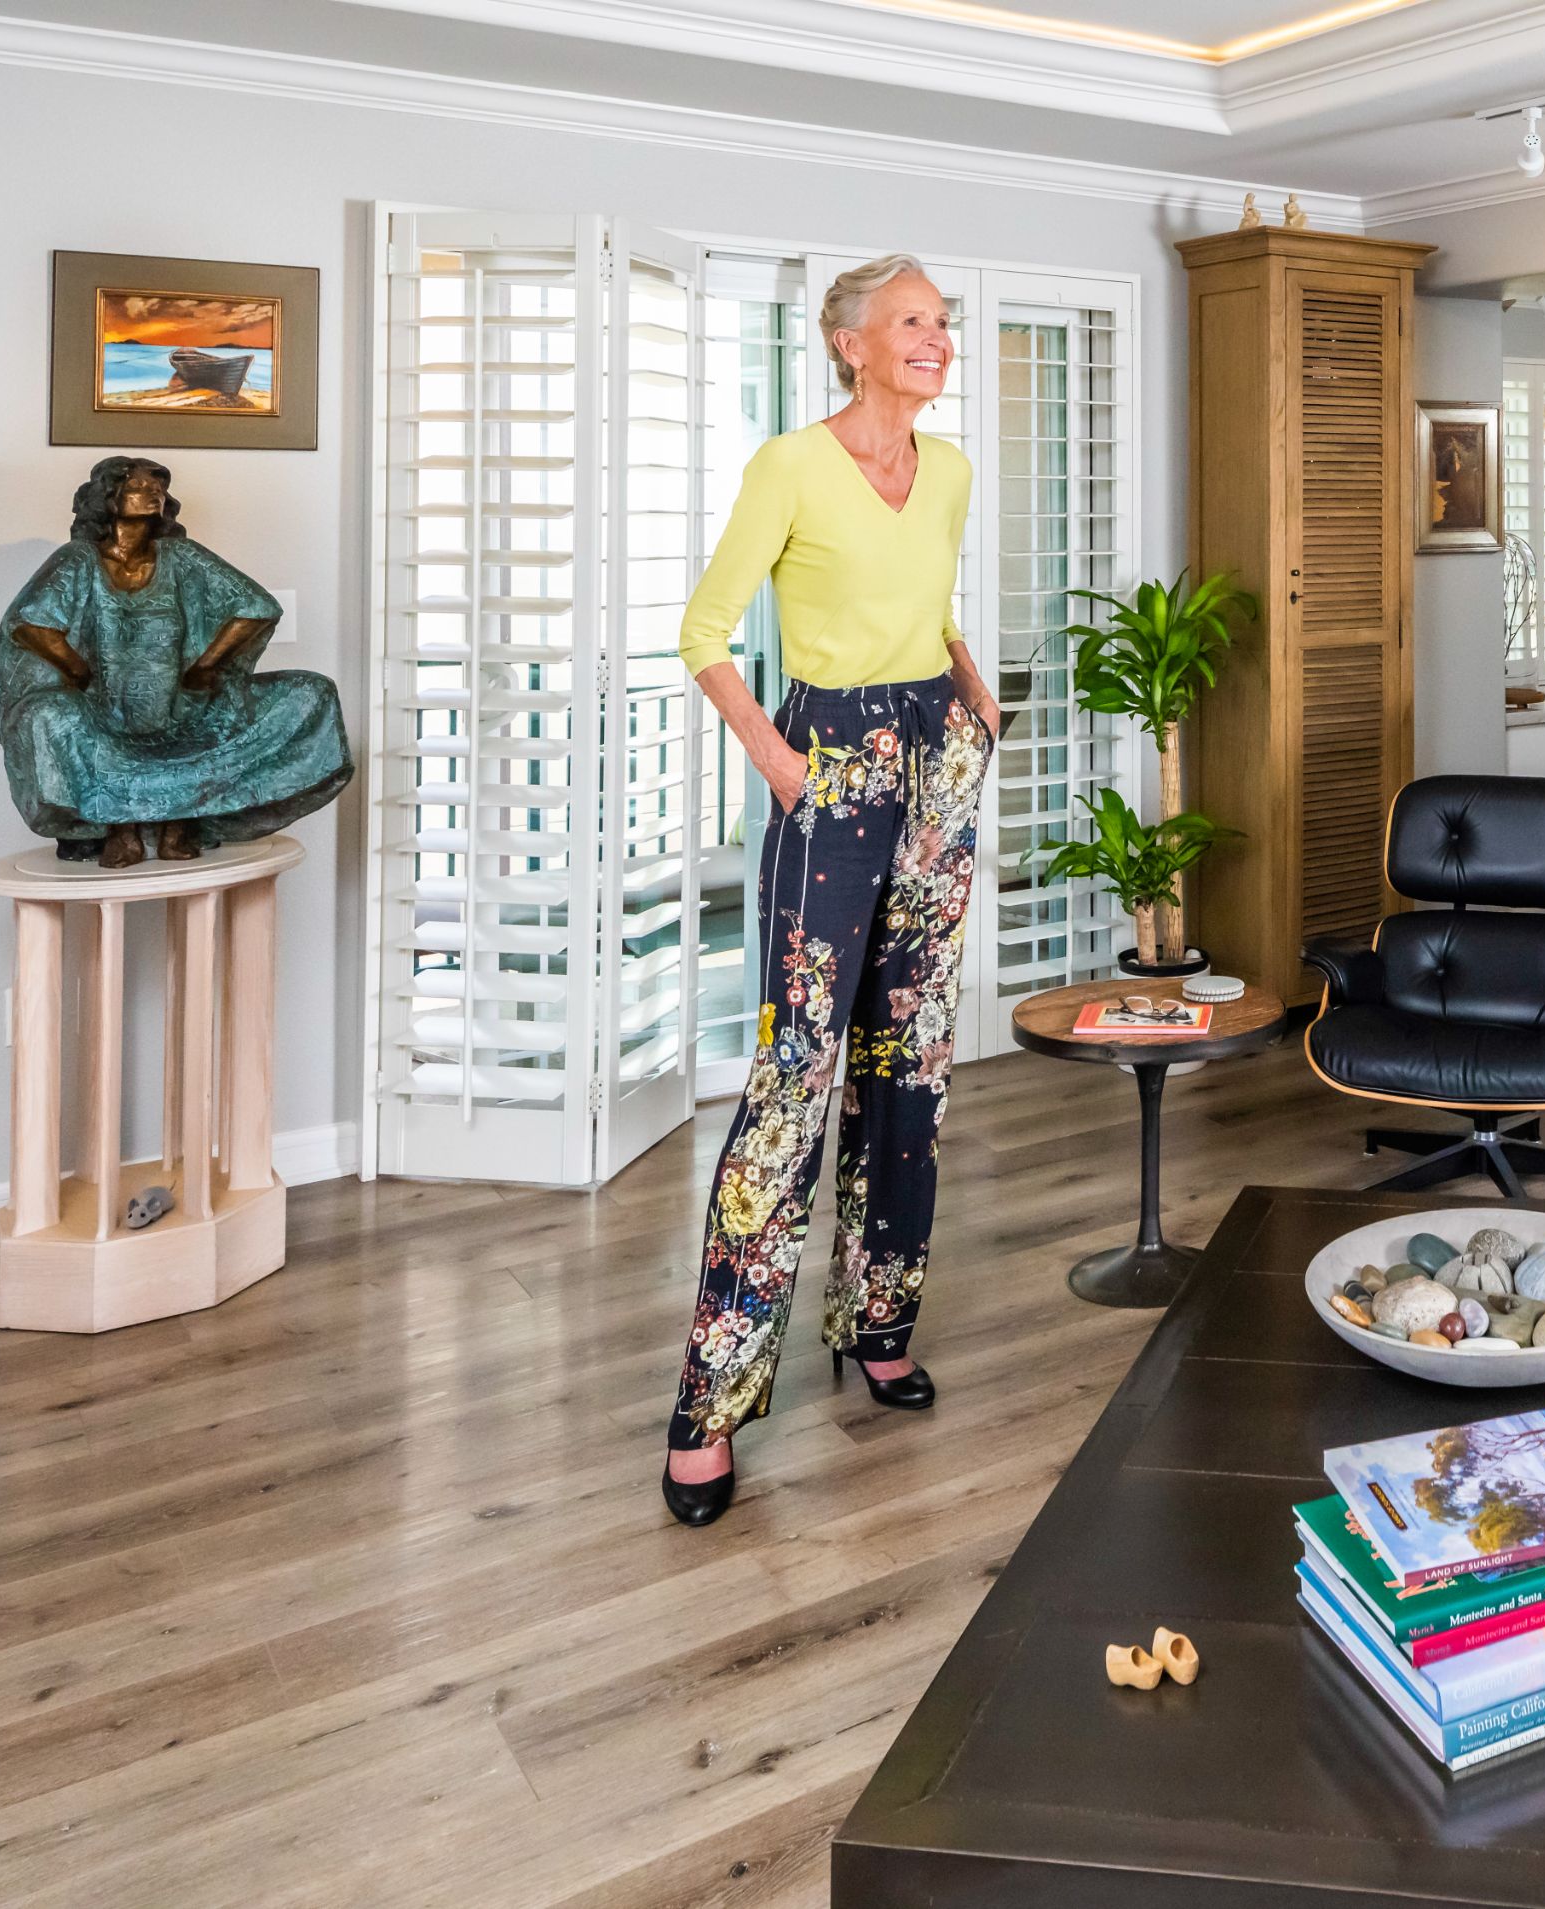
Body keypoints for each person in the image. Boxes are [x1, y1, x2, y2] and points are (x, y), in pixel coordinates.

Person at [661, 254, 1001, 1527]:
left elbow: (930, 596)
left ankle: (877, 1319)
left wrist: (973, 681)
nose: (937, 339)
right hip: (833, 764)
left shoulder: (950, 470)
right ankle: (711, 1402)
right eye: (914, 322)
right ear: (851, 342)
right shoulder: (790, 468)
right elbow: (704, 630)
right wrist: (783, 764)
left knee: (909, 1056)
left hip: (938, 758)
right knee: (798, 1073)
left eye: (943, 324)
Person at [0, 457, 352, 868]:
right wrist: (79, 671)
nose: (153, 494)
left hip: (185, 709)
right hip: (101, 714)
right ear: (108, 498)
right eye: (138, 486)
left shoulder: (181, 556)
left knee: (311, 692)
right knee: (48, 715)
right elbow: (28, 624)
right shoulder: (78, 560)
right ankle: (121, 828)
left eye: (158, 489)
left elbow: (257, 606)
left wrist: (205, 666)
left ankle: (181, 821)